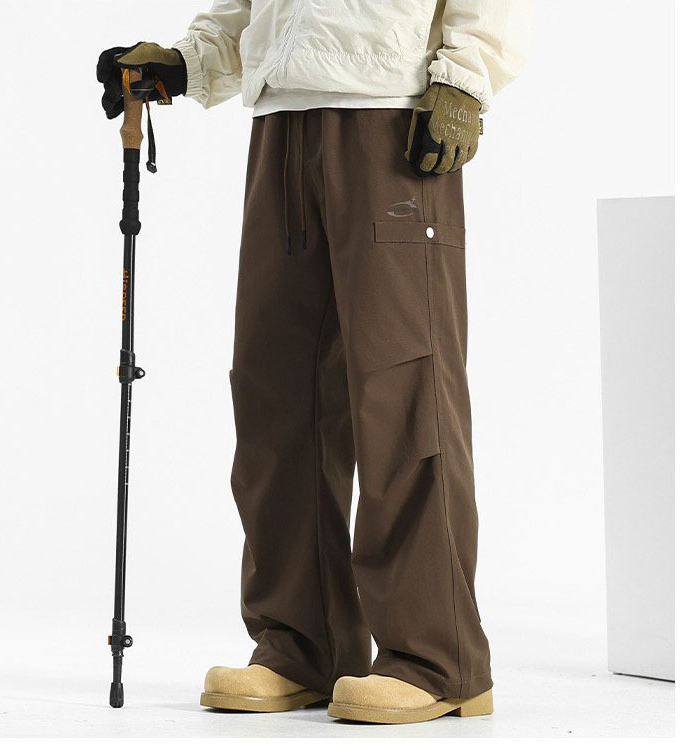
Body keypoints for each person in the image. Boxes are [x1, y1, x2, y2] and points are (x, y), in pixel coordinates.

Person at [98, 0, 532, 726]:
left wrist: (464, 79)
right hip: (282, 120)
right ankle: (303, 645)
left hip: (393, 116)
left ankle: (437, 655)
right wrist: (188, 62)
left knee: (402, 386)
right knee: (275, 388)